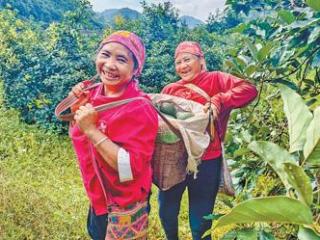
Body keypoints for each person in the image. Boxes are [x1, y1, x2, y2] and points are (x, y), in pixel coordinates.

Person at [158, 41, 258, 240]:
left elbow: (249, 90)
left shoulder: (216, 79)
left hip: (207, 159)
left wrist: (220, 99)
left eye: (187, 60)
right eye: (178, 62)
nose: (183, 66)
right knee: (167, 209)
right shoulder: (170, 89)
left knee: (201, 216)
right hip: (174, 159)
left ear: (201, 60)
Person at [68, 31, 158, 240]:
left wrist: (91, 129)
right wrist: (76, 105)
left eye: (121, 59)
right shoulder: (94, 93)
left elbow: (130, 169)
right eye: (105, 54)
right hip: (99, 195)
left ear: (136, 69)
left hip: (124, 203)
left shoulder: (139, 108)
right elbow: (77, 132)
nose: (109, 65)